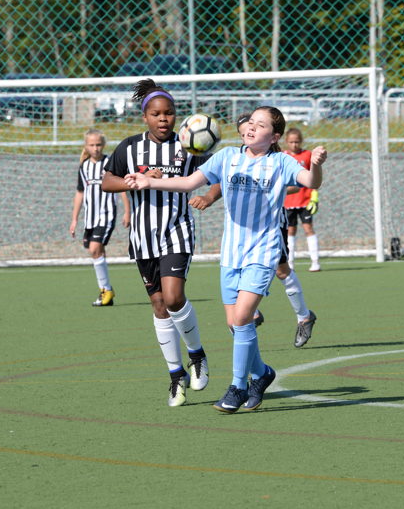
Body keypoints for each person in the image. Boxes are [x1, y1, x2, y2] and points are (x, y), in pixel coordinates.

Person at [126, 106, 327, 414]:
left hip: (263, 251)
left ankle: (237, 386)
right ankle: (262, 373)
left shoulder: (281, 162)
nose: (252, 127)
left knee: (244, 317)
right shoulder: (227, 157)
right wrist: (149, 182)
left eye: (261, 125)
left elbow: (311, 181)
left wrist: (316, 165)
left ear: (274, 136)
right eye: (251, 122)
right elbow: (189, 183)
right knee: (235, 324)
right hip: (231, 252)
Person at [101, 78, 219, 408]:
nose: (163, 119)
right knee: (158, 305)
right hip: (143, 237)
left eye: (169, 113)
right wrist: (135, 182)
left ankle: (197, 354)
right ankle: (175, 375)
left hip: (177, 231)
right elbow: (106, 181)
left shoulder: (189, 146)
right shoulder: (129, 148)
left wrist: (209, 197)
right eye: (156, 114)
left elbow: (219, 175)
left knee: (173, 297)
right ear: (145, 117)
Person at [190, 113, 317, 348]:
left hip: (270, 226)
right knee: (241, 293)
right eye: (242, 132)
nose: (247, 134)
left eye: (253, 127)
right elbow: (225, 181)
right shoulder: (235, 156)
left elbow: (294, 183)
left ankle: (304, 317)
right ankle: (251, 314)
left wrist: (273, 189)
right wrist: (209, 196)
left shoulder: (277, 160)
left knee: (282, 271)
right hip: (242, 234)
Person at [69, 128, 130, 307]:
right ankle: (106, 290)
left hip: (106, 215)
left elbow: (122, 188)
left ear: (103, 145)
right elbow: (80, 192)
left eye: (98, 145)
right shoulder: (84, 166)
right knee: (97, 252)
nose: (95, 148)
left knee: (94, 249)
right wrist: (74, 219)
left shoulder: (110, 163)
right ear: (86, 146)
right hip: (90, 217)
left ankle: (106, 290)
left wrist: (128, 211)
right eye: (91, 145)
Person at [284, 127, 321, 272]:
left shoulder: (307, 155)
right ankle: (290, 262)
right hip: (288, 202)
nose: (294, 145)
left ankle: (315, 261)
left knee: (308, 228)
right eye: (291, 142)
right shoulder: (283, 156)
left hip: (305, 200)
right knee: (290, 231)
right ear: (286, 142)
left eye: (297, 142)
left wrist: (314, 196)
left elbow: (314, 177)